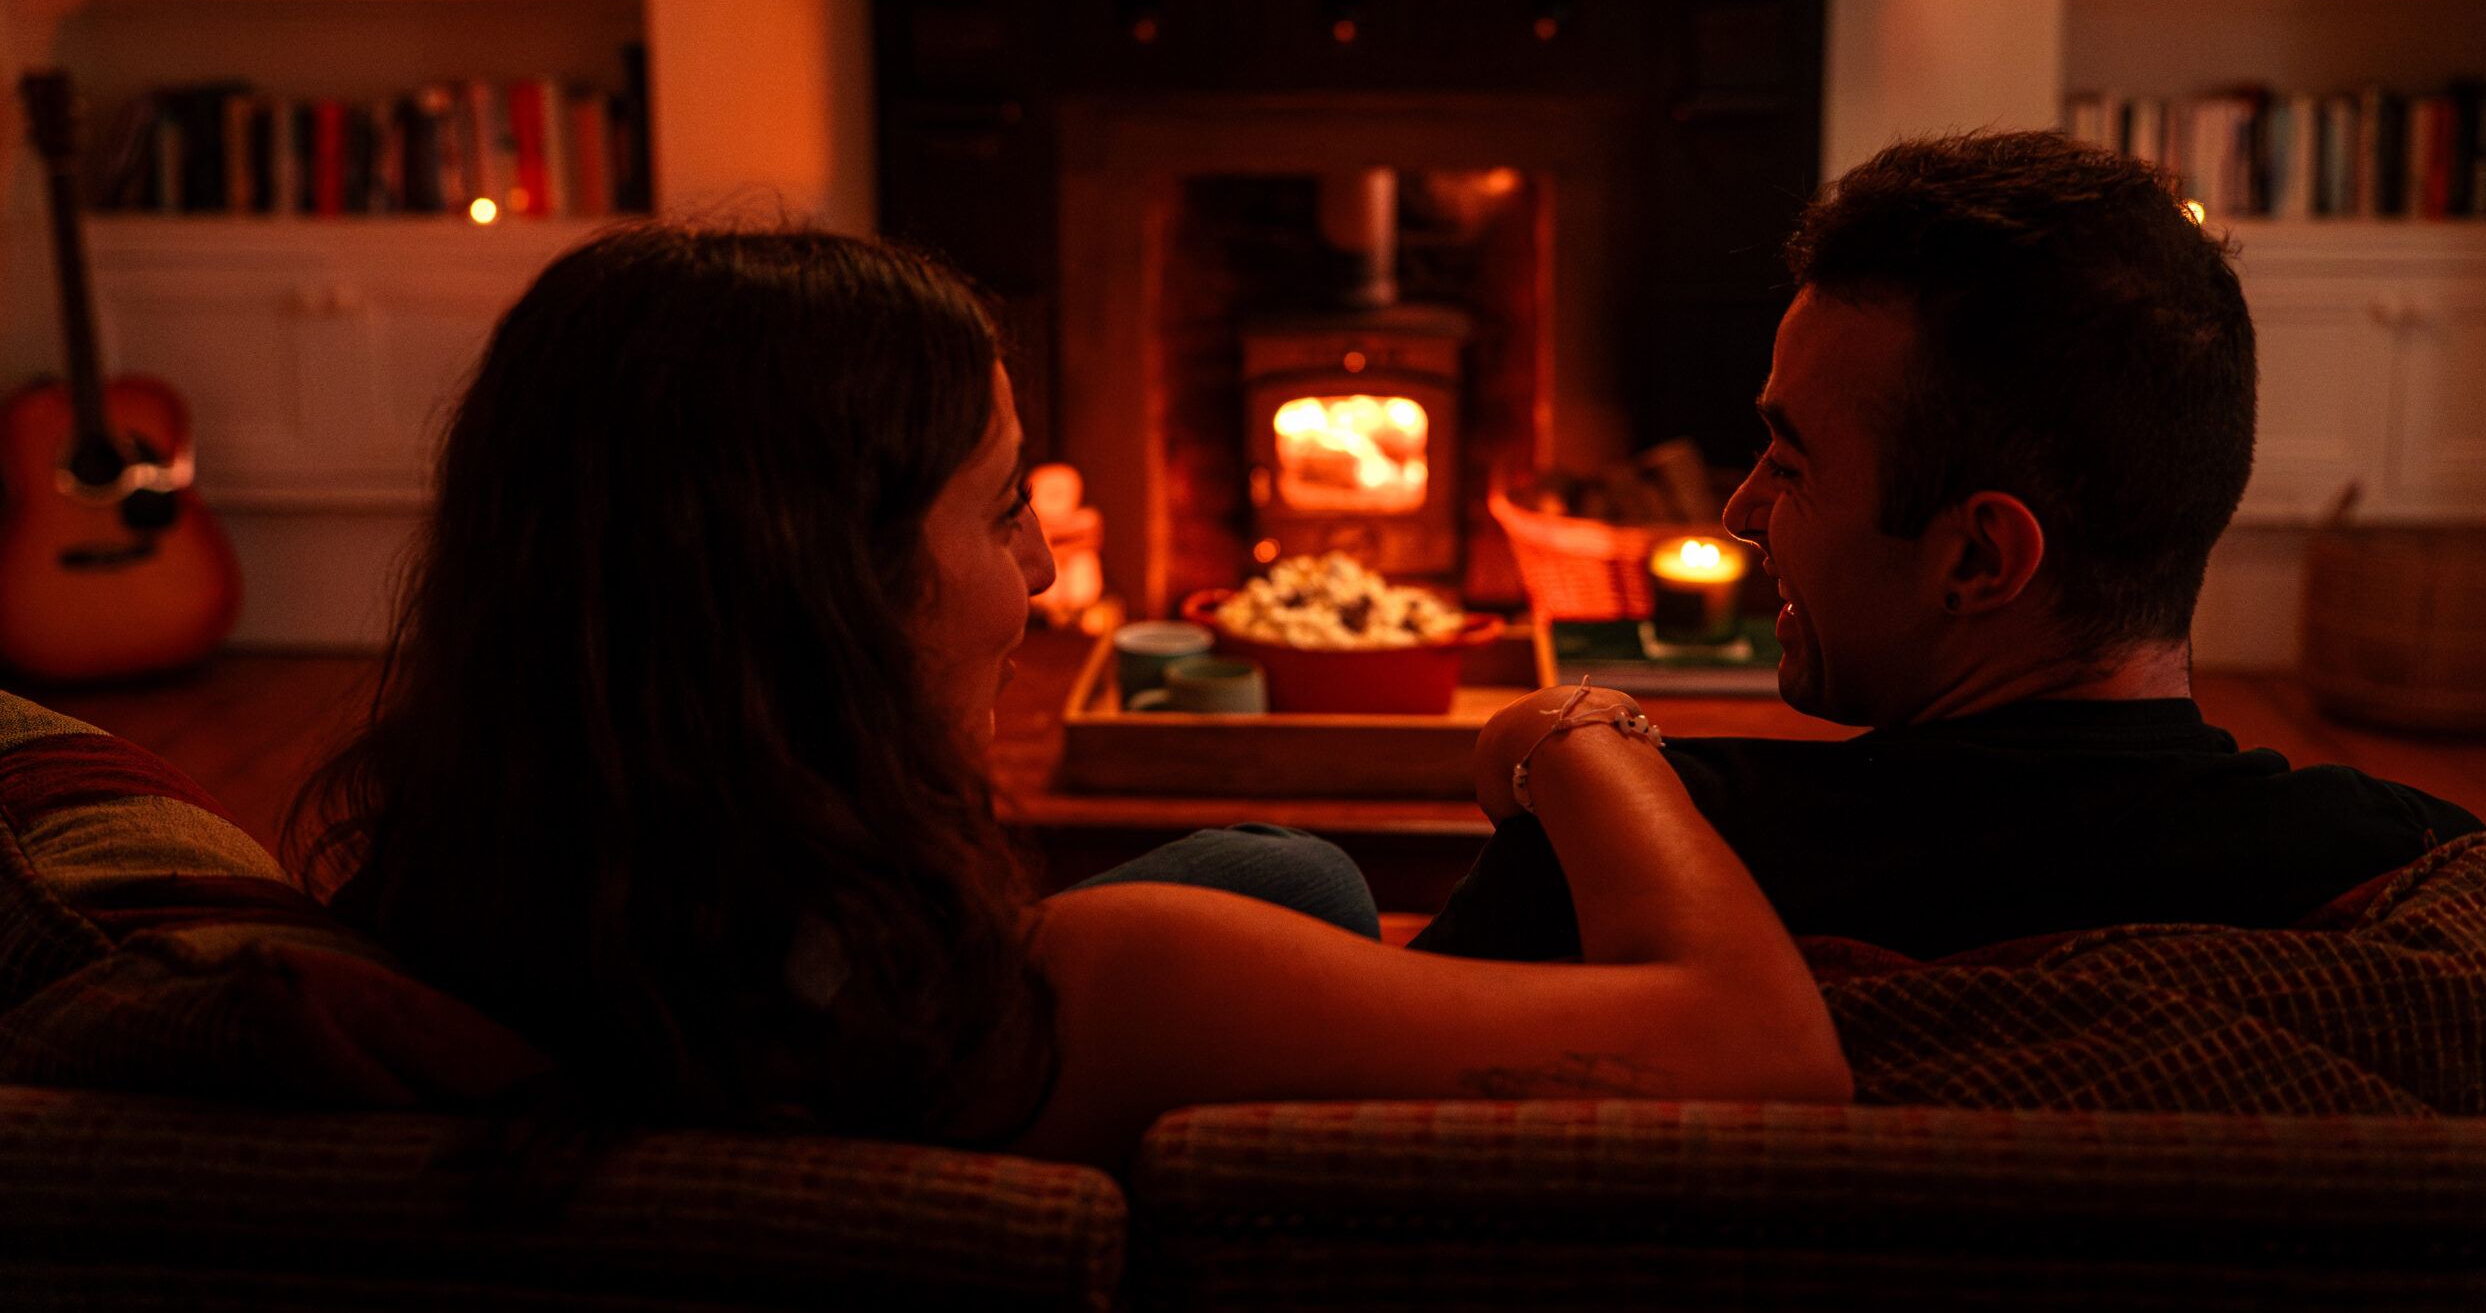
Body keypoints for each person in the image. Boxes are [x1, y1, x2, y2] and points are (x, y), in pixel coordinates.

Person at [289, 225, 1847, 1172]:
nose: (1041, 570)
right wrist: (1585, 727)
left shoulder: (437, 917)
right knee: (1289, 876)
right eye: (998, 505)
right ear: (814, 588)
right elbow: (1771, 1054)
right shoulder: (1095, 993)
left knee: (1269, 869)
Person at [1416, 130, 2483, 962]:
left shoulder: (1618, 866)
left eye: (1788, 466)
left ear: (1977, 559)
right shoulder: (2419, 879)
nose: (1739, 511)